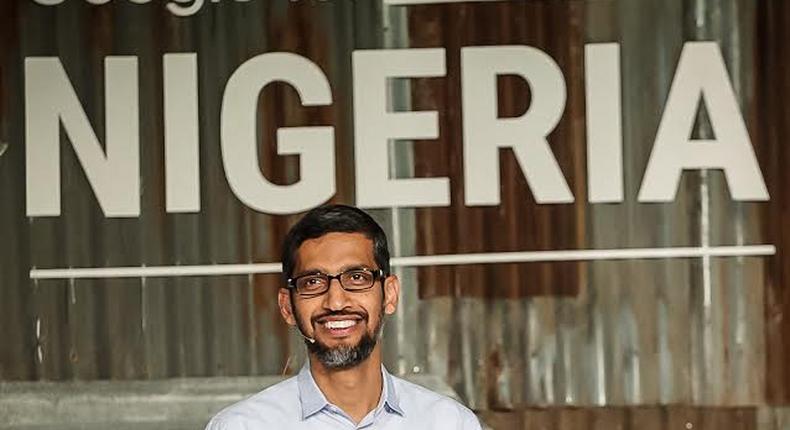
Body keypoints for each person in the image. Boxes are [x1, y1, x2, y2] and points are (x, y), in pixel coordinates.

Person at [205, 204, 482, 429]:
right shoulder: (242, 426)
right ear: (287, 306)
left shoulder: (449, 423)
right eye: (312, 282)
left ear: (390, 294)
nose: (336, 302)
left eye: (357, 277)